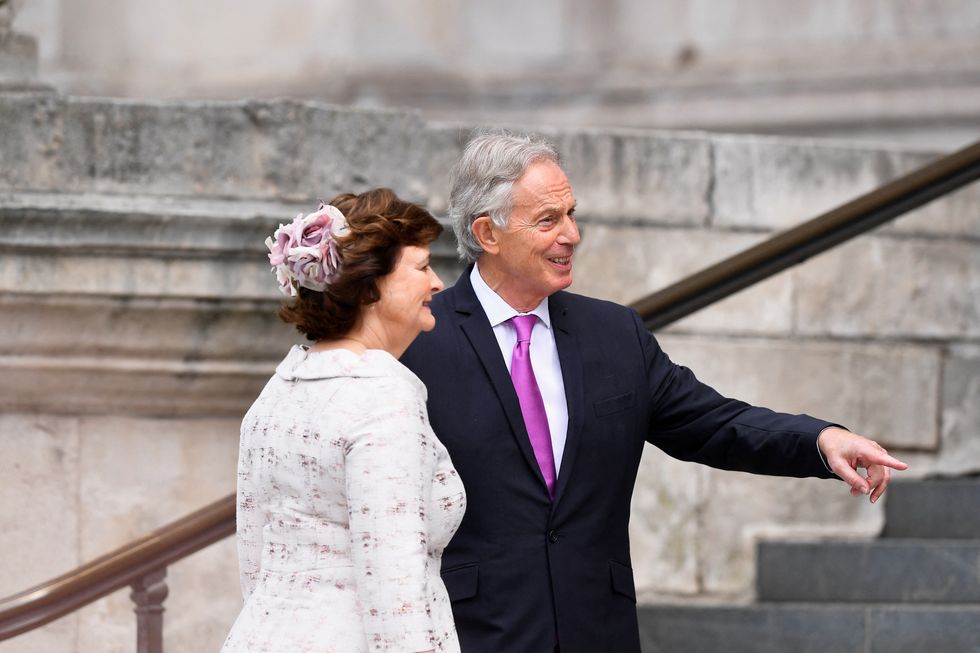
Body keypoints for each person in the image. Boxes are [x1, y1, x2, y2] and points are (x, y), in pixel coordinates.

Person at [399, 133, 908, 653]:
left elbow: (714, 423)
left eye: (572, 214)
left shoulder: (615, 334)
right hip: (473, 633)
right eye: (548, 220)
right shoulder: (418, 338)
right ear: (488, 232)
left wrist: (821, 440)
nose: (572, 235)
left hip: (598, 630)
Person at [221, 189, 466, 653]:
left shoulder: (277, 392)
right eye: (421, 267)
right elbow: (393, 585)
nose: (437, 283)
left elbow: (255, 564)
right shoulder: (382, 395)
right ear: (372, 285)